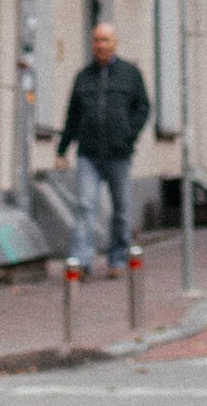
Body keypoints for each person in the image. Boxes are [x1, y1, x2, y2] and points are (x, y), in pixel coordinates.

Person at [59, 20, 150, 274]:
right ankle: (82, 261)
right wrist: (61, 150)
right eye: (97, 40)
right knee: (85, 206)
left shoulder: (130, 74)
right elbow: (72, 115)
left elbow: (143, 108)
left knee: (120, 210)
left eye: (105, 40)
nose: (100, 45)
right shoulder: (83, 76)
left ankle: (118, 259)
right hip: (88, 153)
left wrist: (129, 136)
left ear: (115, 43)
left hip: (119, 154)